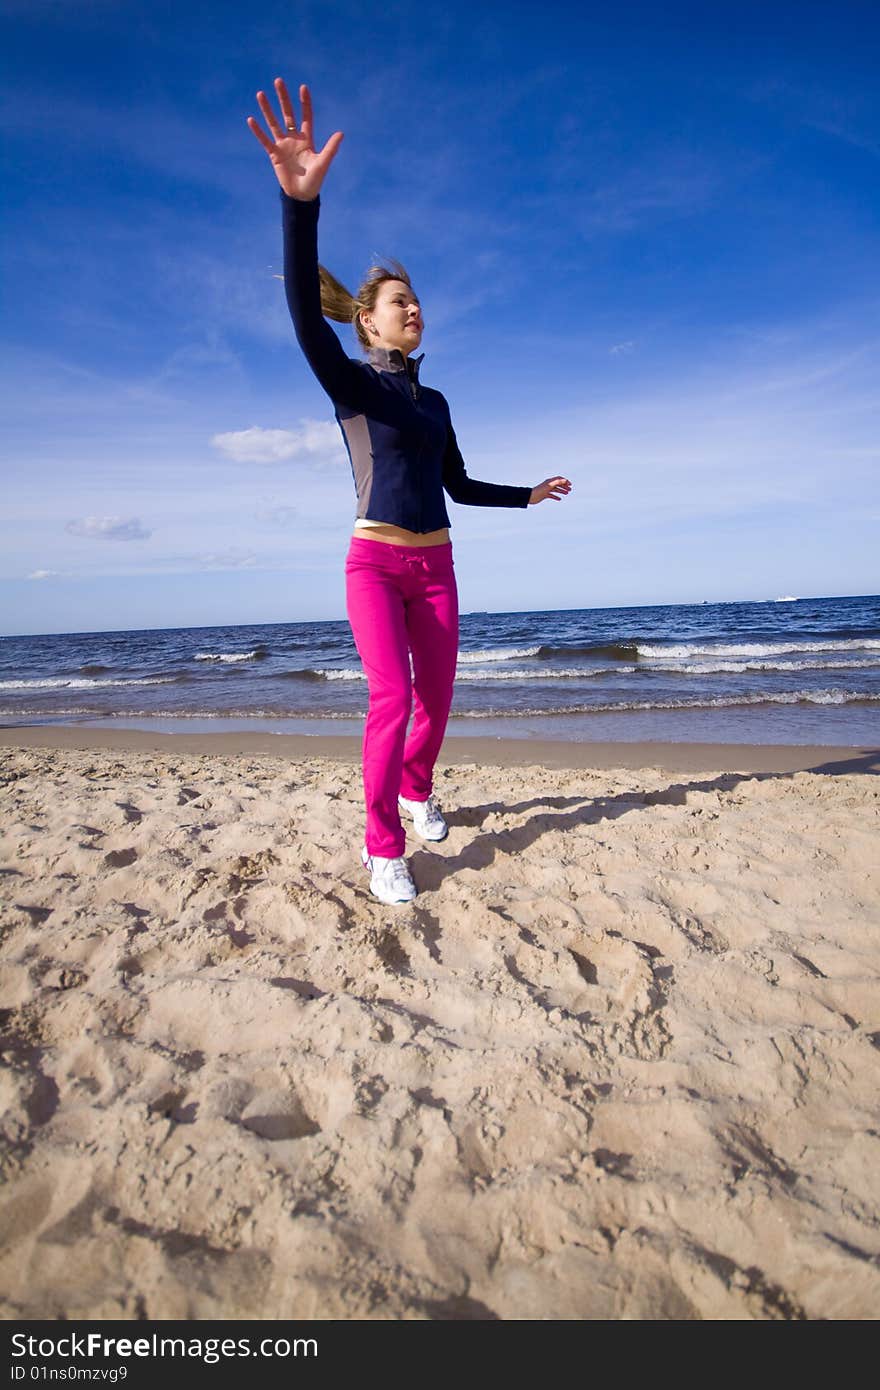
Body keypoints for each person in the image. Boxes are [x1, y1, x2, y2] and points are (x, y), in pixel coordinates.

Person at [248, 79, 572, 906]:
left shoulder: (435, 403)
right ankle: (382, 846)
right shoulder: (355, 385)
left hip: (438, 567)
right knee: (391, 698)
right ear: (369, 322)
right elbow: (302, 320)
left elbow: (457, 485)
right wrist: (300, 207)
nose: (414, 309)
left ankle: (416, 789)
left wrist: (525, 495)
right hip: (375, 565)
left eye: (418, 301)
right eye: (400, 303)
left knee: (438, 702)